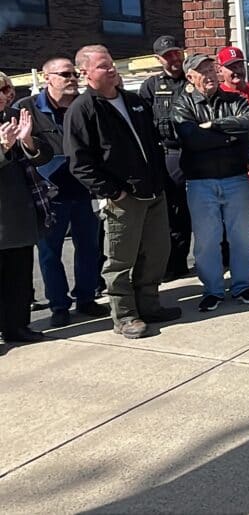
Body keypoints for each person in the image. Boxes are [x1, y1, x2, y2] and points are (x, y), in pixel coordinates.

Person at [65, 45, 183, 339]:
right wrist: (114, 193)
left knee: (156, 253)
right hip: (123, 199)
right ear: (86, 73)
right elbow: (80, 163)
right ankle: (125, 316)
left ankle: (150, 306)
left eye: (111, 64)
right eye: (104, 66)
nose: (112, 69)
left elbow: (152, 143)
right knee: (120, 261)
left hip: (154, 191)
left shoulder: (133, 101)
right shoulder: (83, 110)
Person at [15, 58, 109, 328]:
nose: (72, 79)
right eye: (65, 74)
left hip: (84, 191)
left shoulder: (85, 105)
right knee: (49, 253)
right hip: (49, 196)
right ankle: (59, 305)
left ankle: (87, 298)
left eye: (75, 74)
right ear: (48, 78)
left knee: (89, 248)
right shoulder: (27, 109)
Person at [173, 54, 249, 312]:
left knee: (242, 236)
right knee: (207, 240)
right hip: (201, 182)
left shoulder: (234, 101)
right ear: (190, 77)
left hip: (235, 178)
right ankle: (213, 290)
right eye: (202, 71)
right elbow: (191, 139)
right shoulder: (182, 105)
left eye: (212, 69)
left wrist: (213, 125)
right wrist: (228, 137)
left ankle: (242, 285)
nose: (210, 75)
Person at [1, 78, 54, 347]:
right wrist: (3, 149)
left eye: (3, 90)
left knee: (19, 275)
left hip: (19, 210)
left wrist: (28, 141)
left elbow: (44, 154)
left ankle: (17, 326)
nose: (1, 96)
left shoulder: (18, 117)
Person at [139, 35, 192, 281]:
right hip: (169, 154)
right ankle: (175, 264)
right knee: (174, 213)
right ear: (158, 59)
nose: (174, 59)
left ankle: (212, 260)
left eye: (176, 53)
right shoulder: (150, 86)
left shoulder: (193, 78)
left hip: (197, 153)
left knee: (202, 210)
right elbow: (144, 126)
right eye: (168, 55)